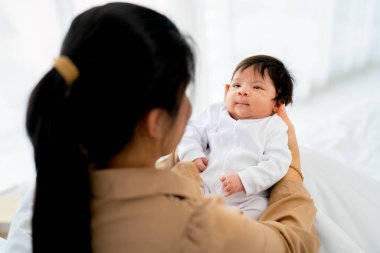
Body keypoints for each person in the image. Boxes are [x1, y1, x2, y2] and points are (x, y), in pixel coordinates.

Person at [8, 2, 319, 253]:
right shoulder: (196, 227)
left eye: (256, 88)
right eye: (184, 90)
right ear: (155, 122)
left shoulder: (47, 188)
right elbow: (293, 244)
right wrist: (292, 170)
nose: (239, 92)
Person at [178, 55, 294, 219]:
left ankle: (226, 230)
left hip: (245, 199)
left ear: (277, 104)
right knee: (179, 191)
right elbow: (191, 131)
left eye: (257, 87)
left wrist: (244, 179)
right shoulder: (216, 112)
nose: (243, 91)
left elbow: (277, 163)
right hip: (205, 185)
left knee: (259, 211)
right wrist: (192, 153)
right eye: (237, 85)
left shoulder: (273, 127)